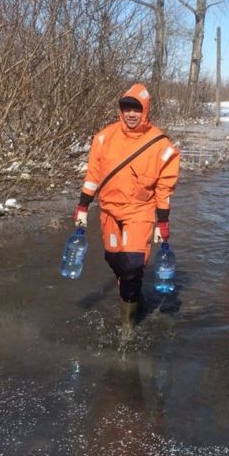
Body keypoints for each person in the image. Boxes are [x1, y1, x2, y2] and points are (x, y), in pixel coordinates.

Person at [73, 83, 180, 339]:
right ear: (121, 110)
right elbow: (93, 176)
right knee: (115, 261)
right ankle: (133, 294)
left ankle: (127, 330)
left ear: (146, 110)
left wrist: (162, 222)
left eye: (136, 109)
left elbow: (164, 189)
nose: (131, 114)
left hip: (139, 212)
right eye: (127, 108)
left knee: (132, 266)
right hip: (108, 211)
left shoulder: (161, 146)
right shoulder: (104, 138)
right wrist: (82, 207)